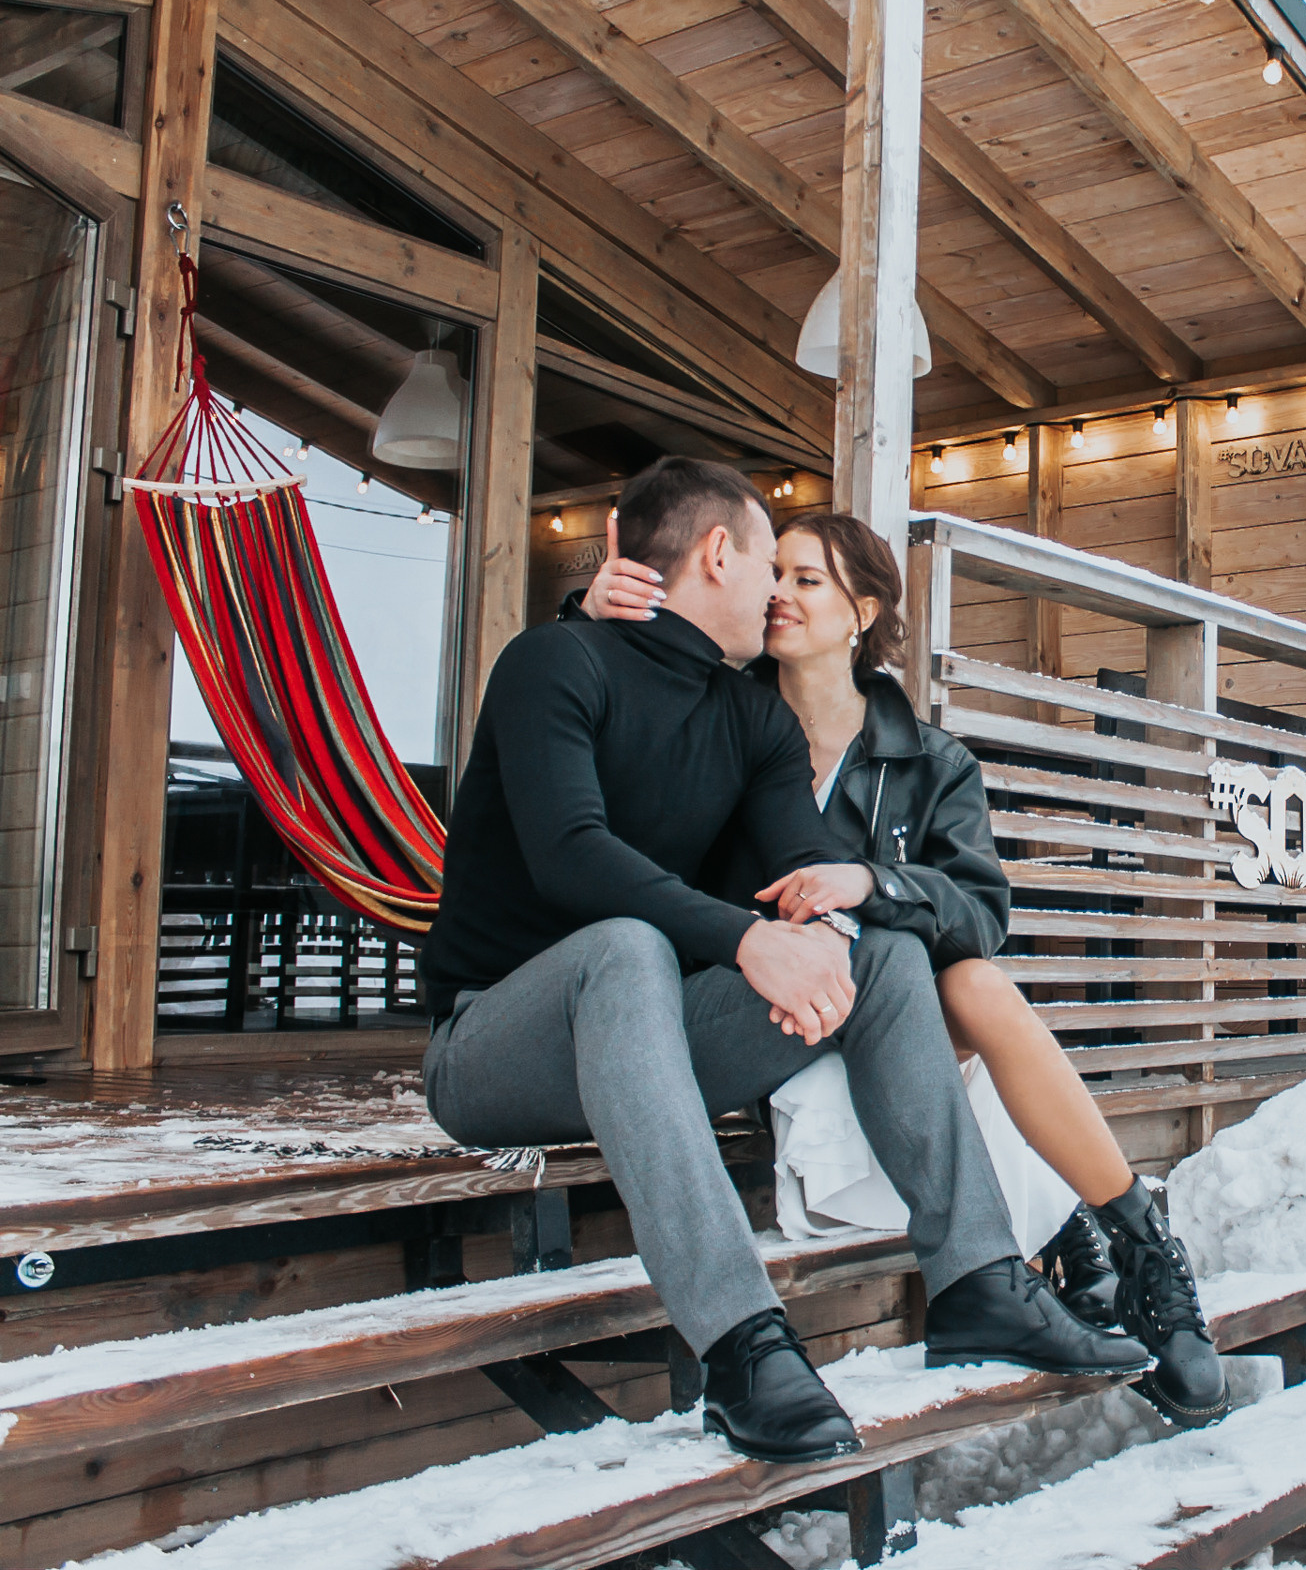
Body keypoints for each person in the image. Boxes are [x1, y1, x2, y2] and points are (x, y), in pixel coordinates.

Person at [420, 457, 1148, 1470]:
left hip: (654, 1037)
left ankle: (980, 1280)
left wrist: (837, 914)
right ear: (720, 552)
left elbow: (805, 867)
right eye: (772, 560)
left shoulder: (752, 717)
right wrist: (749, 942)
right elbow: (571, 855)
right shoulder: (555, 664)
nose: (776, 588)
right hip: (495, 1047)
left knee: (883, 952)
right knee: (625, 948)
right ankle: (741, 1345)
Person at [575, 508, 1230, 1429]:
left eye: (811, 580)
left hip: (892, 1009)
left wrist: (872, 881)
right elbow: (614, 719)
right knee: (941, 1006)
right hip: (757, 1009)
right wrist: (596, 610)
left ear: (864, 608)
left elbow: (981, 914)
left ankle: (1143, 1250)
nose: (782, 594)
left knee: (973, 982)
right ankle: (1077, 1243)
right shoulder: (713, 716)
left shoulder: (930, 760)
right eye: (780, 573)